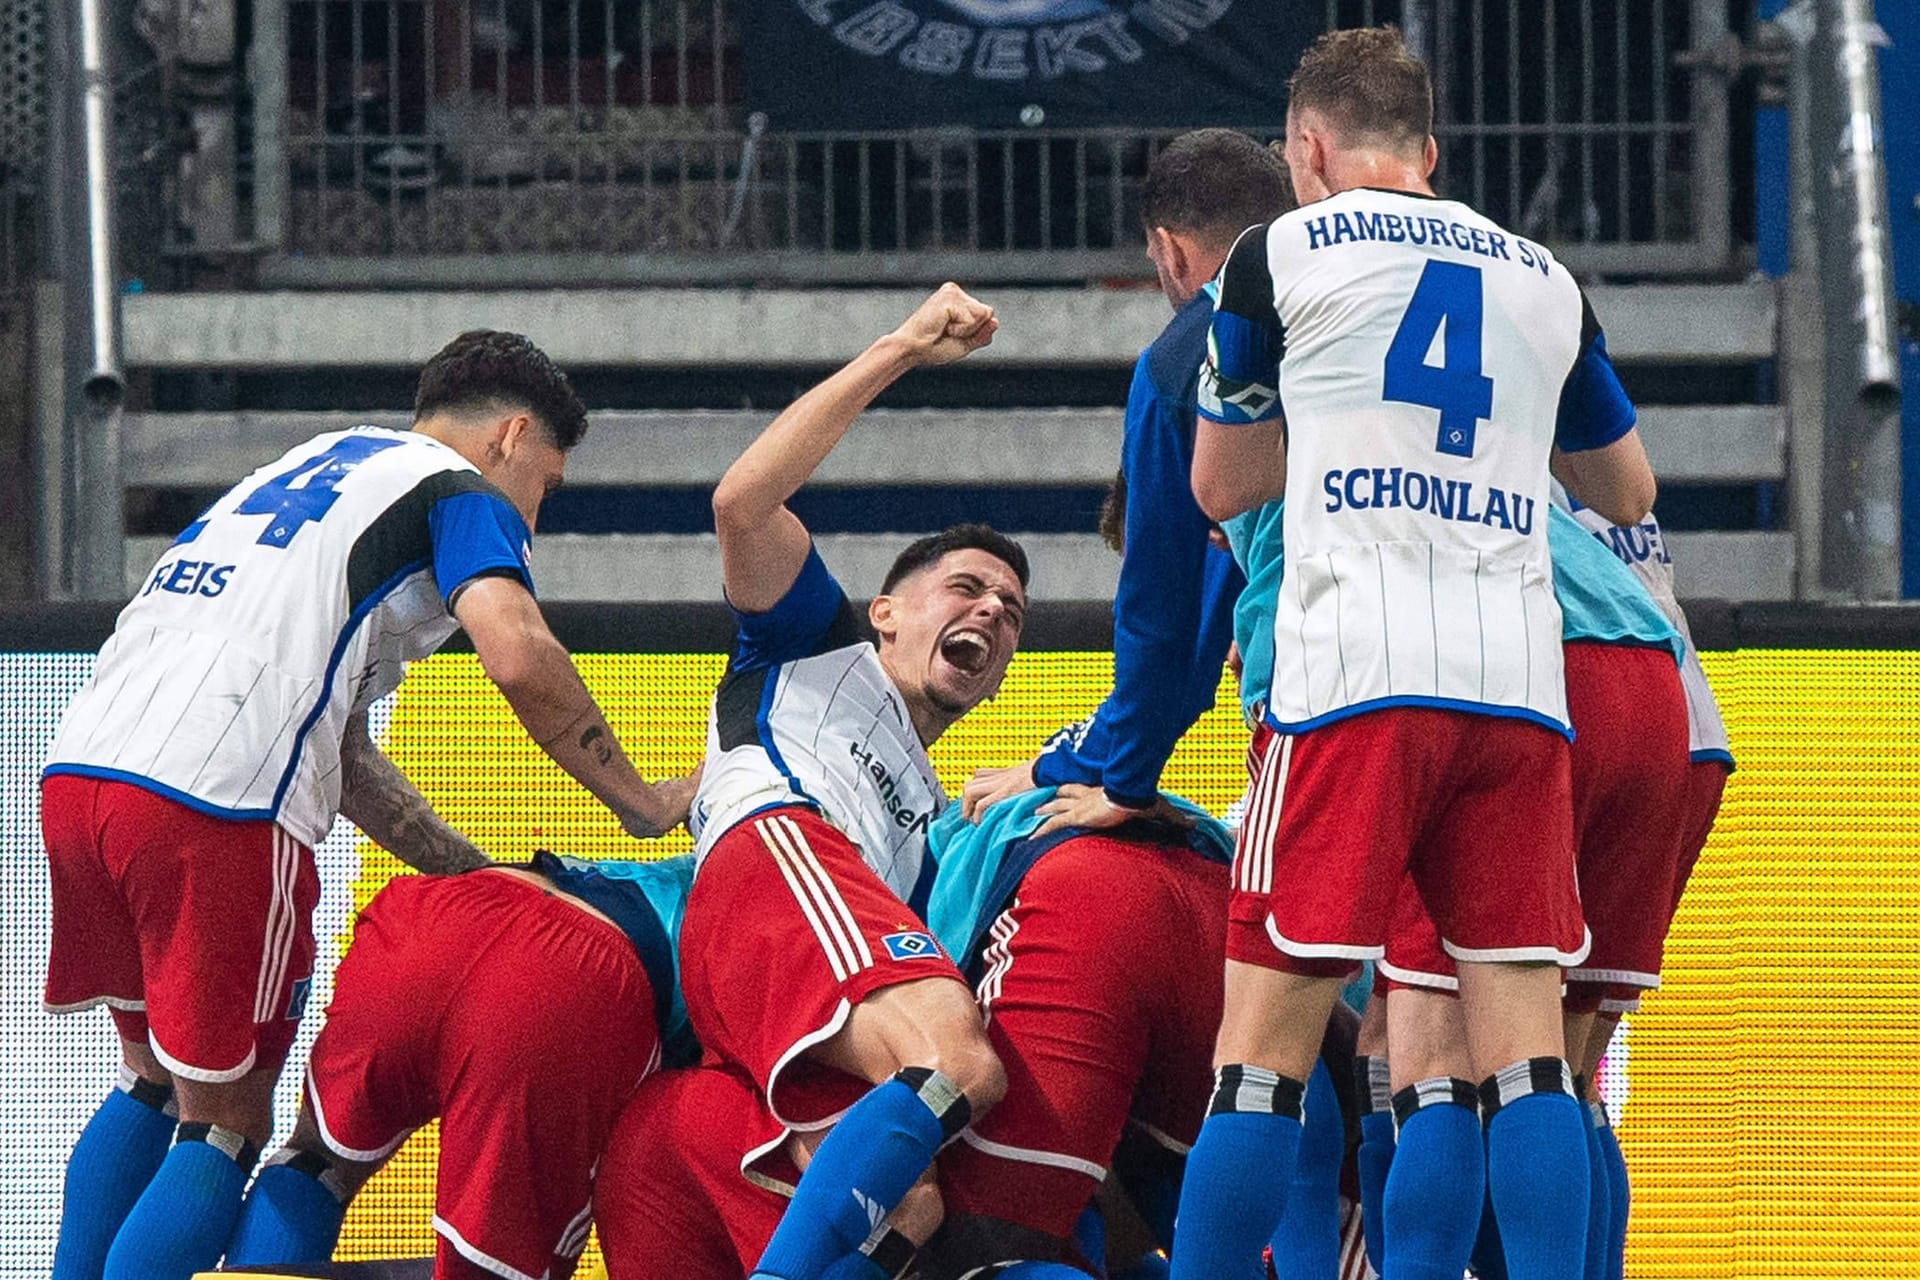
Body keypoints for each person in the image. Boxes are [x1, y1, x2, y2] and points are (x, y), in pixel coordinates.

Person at [38, 329, 695, 1280]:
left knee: (150, 1082)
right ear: (512, 435)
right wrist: (637, 798)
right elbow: (518, 651)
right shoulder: (460, 489)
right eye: (544, 487)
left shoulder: (315, 460)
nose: (535, 515)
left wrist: (466, 873)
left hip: (80, 772)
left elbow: (338, 748)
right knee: (226, 1124)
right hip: (218, 799)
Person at [1172, 26, 1656, 1280]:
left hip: (1350, 680)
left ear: (1308, 149)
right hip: (1515, 686)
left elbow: (1221, 486)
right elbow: (1623, 479)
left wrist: (1338, 427)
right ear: (1432, 153)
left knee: (1260, 1048)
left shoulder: (1272, 254)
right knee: (1530, 1050)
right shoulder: (1545, 274)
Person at [674, 283, 1027, 1280]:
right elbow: (742, 501)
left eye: (1011, 610)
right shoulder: (814, 642)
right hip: (774, 855)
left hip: (781, 944)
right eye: (968, 586)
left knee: (912, 1204)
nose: (994, 611)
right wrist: (903, 347)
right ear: (883, 611)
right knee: (956, 1059)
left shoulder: (919, 817)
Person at [960, 127, 1287, 832]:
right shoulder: (1368, 296)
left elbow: (1165, 616)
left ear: (1170, 249)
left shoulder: (1184, 358)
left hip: (1338, 692)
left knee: (1273, 941)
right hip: (1529, 656)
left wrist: (1119, 779)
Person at [223, 851, 695, 1280]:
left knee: (315, 1159)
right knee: (495, 1266)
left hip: (443, 911)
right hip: (573, 979)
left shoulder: (719, 840)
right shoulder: (749, 897)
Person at [1554, 488, 1735, 1280]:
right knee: (1574, 1071)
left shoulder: (1487, 420)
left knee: (1501, 1067)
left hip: (1581, 699)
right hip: (1681, 722)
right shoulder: (1593, 431)